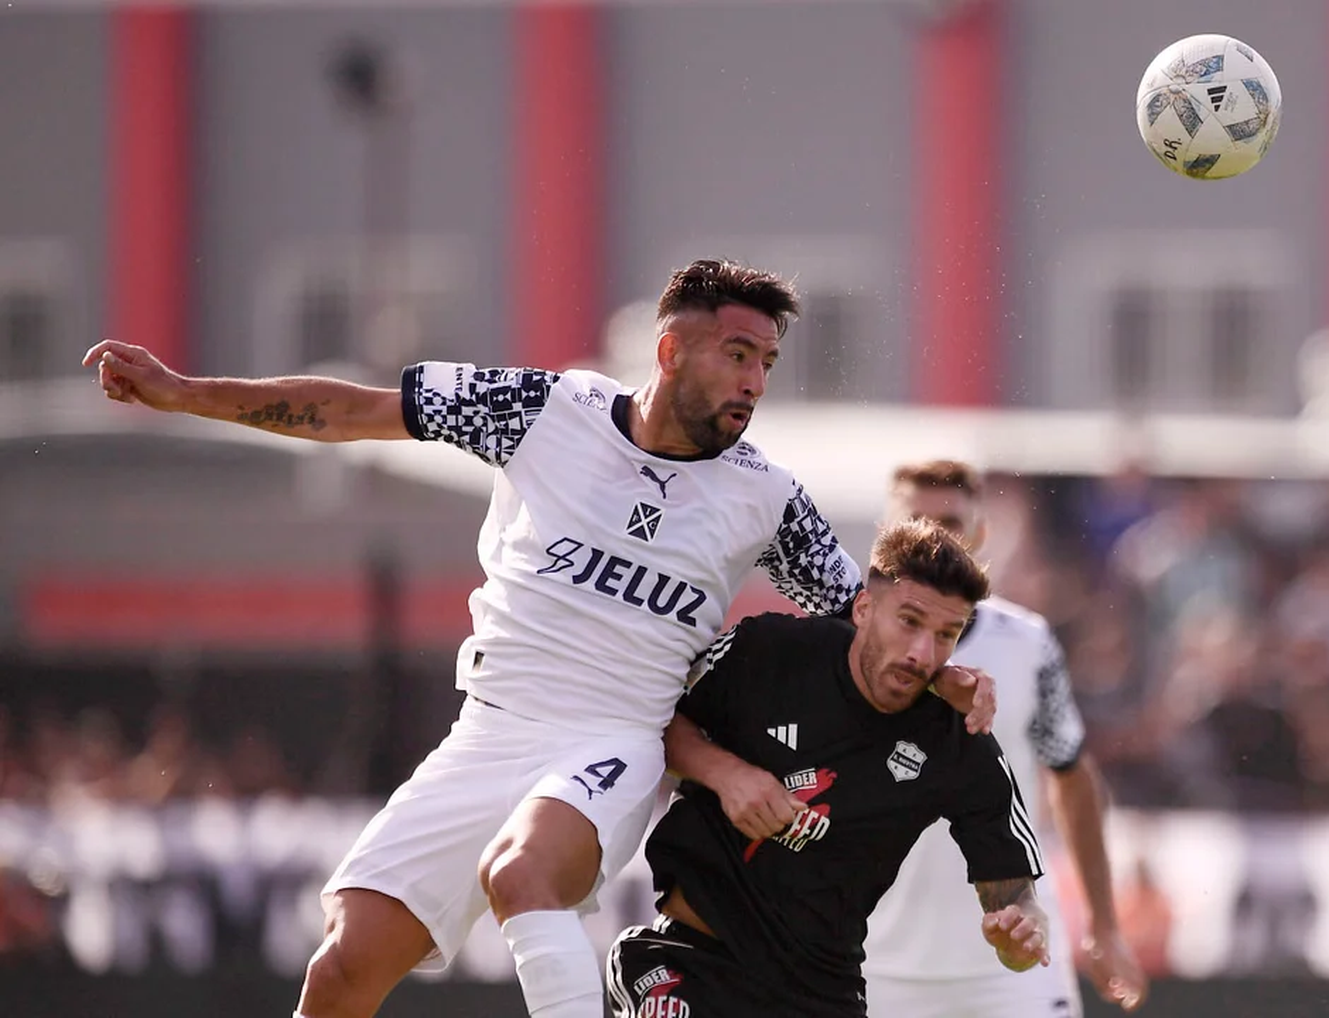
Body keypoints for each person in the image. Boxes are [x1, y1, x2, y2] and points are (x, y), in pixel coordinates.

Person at [82, 260, 993, 1018]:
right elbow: (352, 410)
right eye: (738, 354)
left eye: (768, 362)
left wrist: (947, 672)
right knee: (343, 970)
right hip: (489, 729)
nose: (755, 382)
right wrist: (184, 393)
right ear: (672, 351)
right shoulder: (544, 411)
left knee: (523, 874)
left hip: (615, 741)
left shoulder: (763, 495)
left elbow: (866, 615)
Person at [606, 519, 1049, 1017]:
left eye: (947, 635)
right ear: (863, 608)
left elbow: (1013, 896)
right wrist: (723, 773)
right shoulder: (772, 651)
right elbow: (648, 716)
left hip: (822, 991)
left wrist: (1020, 937)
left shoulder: (960, 741)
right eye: (909, 621)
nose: (923, 653)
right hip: (693, 962)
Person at [863, 460, 1149, 1016]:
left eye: (949, 520)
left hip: (1014, 966)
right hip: (873, 966)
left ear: (981, 533)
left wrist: (1105, 924)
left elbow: (1070, 773)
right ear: (887, 531)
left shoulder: (1028, 643)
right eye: (916, 519)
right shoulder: (842, 641)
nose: (934, 536)